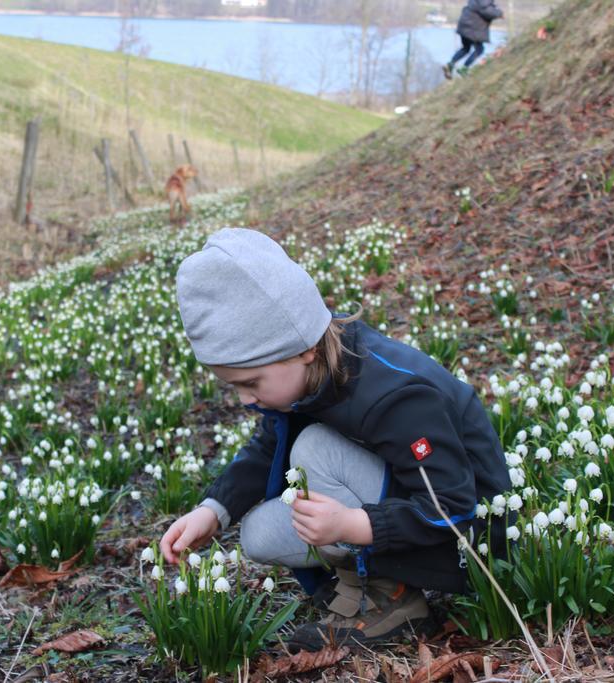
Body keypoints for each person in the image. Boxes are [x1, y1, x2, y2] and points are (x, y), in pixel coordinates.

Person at [159, 228, 510, 652]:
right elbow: (268, 446)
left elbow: (452, 505)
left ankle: (393, 599)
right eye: (233, 385)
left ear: (302, 348)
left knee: (314, 449)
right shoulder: (305, 378)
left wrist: (350, 526)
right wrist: (213, 511)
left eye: (250, 382)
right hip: (398, 515)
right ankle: (368, 578)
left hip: (472, 541)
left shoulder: (398, 396)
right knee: (259, 535)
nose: (245, 399)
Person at [444, 0, 504, 79]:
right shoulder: (485, 2)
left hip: (464, 27)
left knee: (466, 48)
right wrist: (500, 13)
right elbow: (488, 12)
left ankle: (450, 65)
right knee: (479, 49)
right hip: (472, 29)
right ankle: (464, 69)